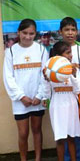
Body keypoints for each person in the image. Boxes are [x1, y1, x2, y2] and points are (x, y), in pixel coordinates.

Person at [3, 19, 48, 161]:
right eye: (24, 33)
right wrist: (21, 97)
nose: (28, 36)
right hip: (20, 102)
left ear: (35, 34)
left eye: (31, 33)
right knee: (23, 133)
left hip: (37, 99)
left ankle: (38, 158)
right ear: (18, 32)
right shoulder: (10, 51)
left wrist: (40, 95)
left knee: (37, 130)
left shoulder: (41, 49)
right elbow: (8, 77)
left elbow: (45, 74)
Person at [43, 41, 80, 161]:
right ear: (59, 55)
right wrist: (46, 79)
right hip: (57, 104)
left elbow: (78, 90)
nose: (71, 55)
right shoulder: (49, 69)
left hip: (71, 103)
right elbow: (46, 90)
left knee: (71, 137)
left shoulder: (73, 69)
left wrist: (74, 76)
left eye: (71, 52)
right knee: (60, 138)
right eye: (68, 52)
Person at [59, 17, 80, 161]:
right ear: (60, 32)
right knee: (63, 130)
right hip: (60, 97)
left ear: (77, 32)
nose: (70, 33)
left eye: (73, 30)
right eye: (66, 30)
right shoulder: (56, 51)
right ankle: (65, 157)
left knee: (77, 129)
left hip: (77, 96)